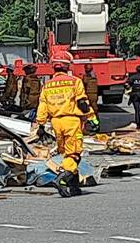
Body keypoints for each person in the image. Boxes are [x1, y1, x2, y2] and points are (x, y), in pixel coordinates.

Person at [36, 59, 100, 197]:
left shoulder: (47, 85)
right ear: (67, 66)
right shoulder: (74, 81)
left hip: (56, 123)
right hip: (71, 121)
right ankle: (62, 179)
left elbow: (42, 107)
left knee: (66, 153)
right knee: (74, 154)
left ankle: (74, 187)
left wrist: (40, 125)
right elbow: (82, 103)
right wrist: (91, 117)